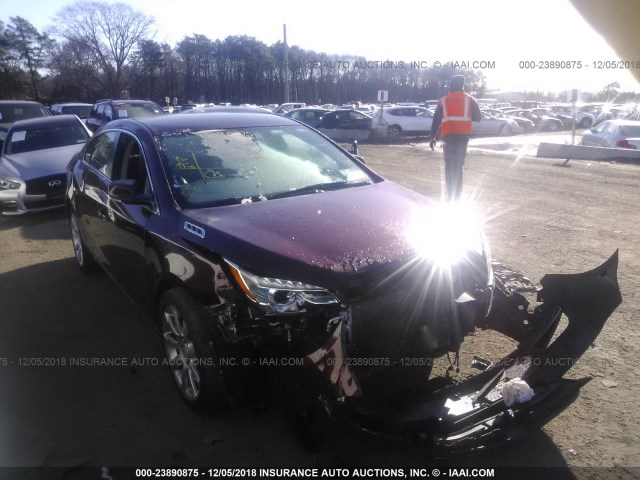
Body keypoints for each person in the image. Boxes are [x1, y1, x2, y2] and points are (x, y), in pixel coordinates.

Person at [429, 75, 482, 201]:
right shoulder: (470, 99)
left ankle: (450, 193)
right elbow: (478, 118)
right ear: (462, 86)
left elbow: (436, 121)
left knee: (449, 166)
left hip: (448, 138)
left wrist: (432, 138)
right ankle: (457, 196)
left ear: (451, 86)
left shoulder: (443, 100)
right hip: (463, 138)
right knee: (458, 167)